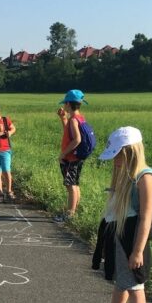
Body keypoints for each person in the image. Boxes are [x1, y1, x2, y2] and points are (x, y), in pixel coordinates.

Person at [87, 126, 152, 303]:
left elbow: (146, 218)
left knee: (135, 286)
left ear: (129, 152)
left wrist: (137, 251)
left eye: (117, 155)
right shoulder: (125, 174)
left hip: (133, 241)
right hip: (119, 235)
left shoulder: (145, 178)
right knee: (121, 280)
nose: (114, 161)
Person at [54, 89, 89, 223]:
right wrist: (63, 118)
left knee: (71, 186)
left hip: (70, 158)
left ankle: (70, 214)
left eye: (65, 103)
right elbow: (68, 133)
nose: (64, 106)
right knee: (75, 184)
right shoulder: (79, 118)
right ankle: (74, 210)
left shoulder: (74, 120)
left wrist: (63, 154)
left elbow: (77, 139)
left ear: (68, 104)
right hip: (77, 157)